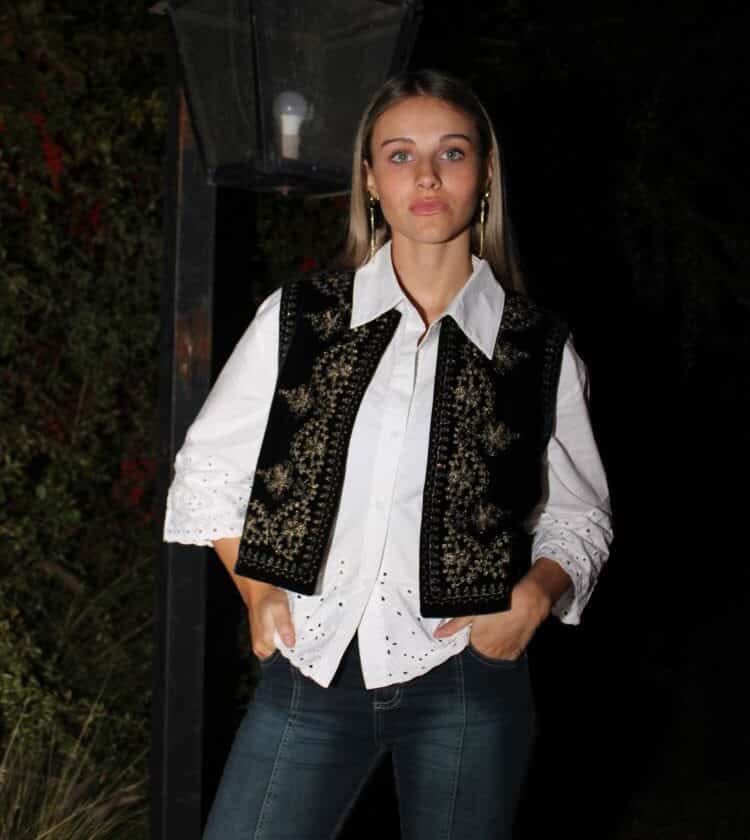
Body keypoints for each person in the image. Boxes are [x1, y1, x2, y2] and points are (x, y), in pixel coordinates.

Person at [163, 69, 612, 840]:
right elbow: (208, 472)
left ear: (486, 173)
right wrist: (258, 594)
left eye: (452, 152)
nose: (426, 176)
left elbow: (580, 517)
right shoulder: (301, 317)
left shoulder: (538, 347)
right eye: (400, 155)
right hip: (311, 666)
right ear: (370, 180)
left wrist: (534, 596)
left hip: (469, 681)